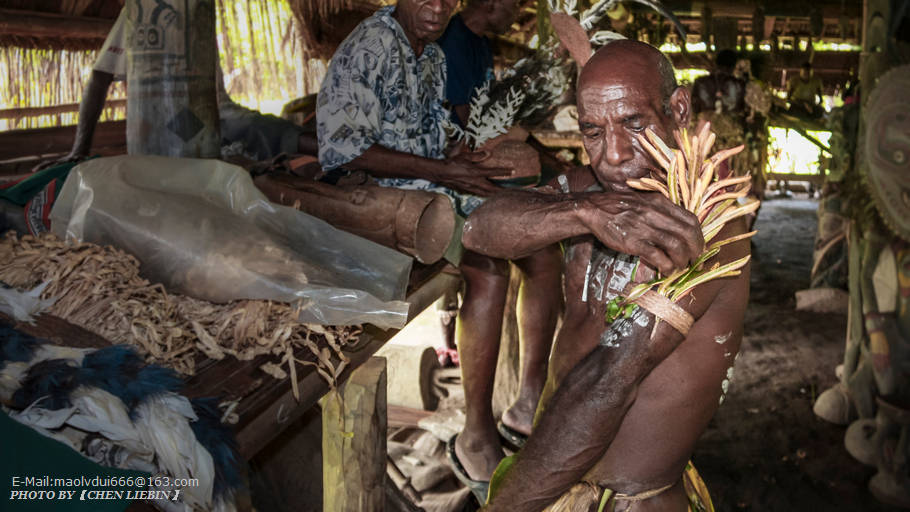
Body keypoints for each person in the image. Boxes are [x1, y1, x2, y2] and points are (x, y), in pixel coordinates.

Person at [461, 40, 751, 511]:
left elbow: (607, 380)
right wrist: (586, 210)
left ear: (677, 109)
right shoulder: (589, 192)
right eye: (592, 132)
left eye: (634, 124)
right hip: (557, 479)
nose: (613, 154)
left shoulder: (704, 228)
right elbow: (478, 229)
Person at [434, 0, 564, 496]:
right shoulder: (448, 41)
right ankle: (475, 432)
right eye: (515, 3)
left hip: (472, 171)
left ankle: (528, 399)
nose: (519, 11)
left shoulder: (479, 46)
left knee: (545, 256)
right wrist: (526, 138)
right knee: (488, 266)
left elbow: (485, 126)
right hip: (444, 178)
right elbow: (469, 128)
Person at [49, 6, 308, 167]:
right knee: (225, 144)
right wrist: (79, 149)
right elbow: (99, 78)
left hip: (218, 112)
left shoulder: (199, 10)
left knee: (263, 127)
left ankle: (336, 153)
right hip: (171, 116)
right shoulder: (141, 11)